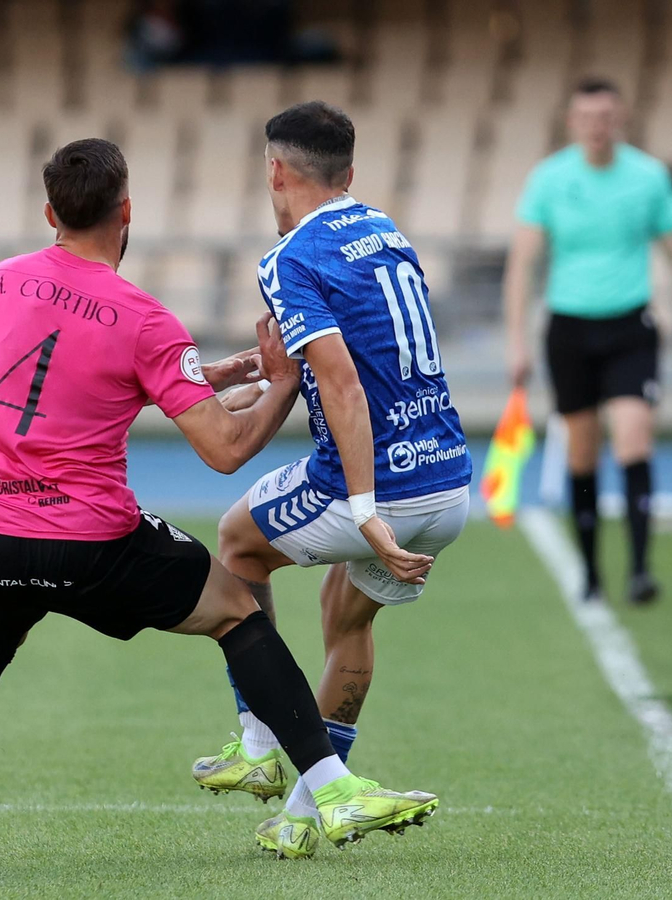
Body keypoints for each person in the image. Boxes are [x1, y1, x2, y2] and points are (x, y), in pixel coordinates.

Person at [0, 138, 439, 860]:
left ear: (49, 211)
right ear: (127, 212)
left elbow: (67, 380)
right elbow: (226, 452)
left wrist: (200, 374)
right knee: (237, 610)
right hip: (92, 545)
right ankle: (333, 789)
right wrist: (282, 384)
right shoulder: (144, 320)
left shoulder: (3, 281)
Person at [184, 101, 472, 859]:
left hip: (374, 483)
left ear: (275, 172)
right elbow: (371, 353)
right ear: (350, 173)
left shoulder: (289, 257)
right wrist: (269, 374)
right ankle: (308, 812)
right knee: (347, 620)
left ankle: (255, 745)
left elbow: (343, 386)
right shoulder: (386, 230)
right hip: (446, 481)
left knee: (238, 545)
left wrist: (367, 506)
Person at [502, 77, 672, 606]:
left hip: (631, 327)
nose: (597, 127)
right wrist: (516, 341)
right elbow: (522, 265)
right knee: (582, 454)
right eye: (586, 118)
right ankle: (590, 571)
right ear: (572, 123)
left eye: (606, 117)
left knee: (635, 439)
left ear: (622, 119)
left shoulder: (648, 176)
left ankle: (640, 570)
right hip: (569, 329)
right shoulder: (550, 179)